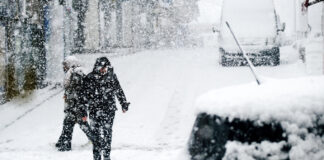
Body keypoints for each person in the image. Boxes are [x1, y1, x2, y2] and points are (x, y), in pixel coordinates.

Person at [85, 57, 130, 160]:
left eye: (105, 67)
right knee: (95, 135)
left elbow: (119, 90)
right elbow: (83, 96)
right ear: (97, 67)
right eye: (102, 67)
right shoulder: (90, 78)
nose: (104, 70)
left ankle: (106, 156)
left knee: (107, 132)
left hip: (109, 110)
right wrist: (83, 111)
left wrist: (123, 104)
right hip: (94, 110)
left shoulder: (111, 77)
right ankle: (96, 157)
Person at [56, 56, 99, 151]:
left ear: (70, 64)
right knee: (71, 124)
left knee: (76, 124)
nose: (64, 67)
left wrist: (77, 104)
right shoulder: (73, 73)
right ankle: (62, 143)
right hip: (74, 105)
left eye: (65, 65)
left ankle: (95, 141)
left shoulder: (76, 74)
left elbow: (78, 91)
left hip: (76, 106)